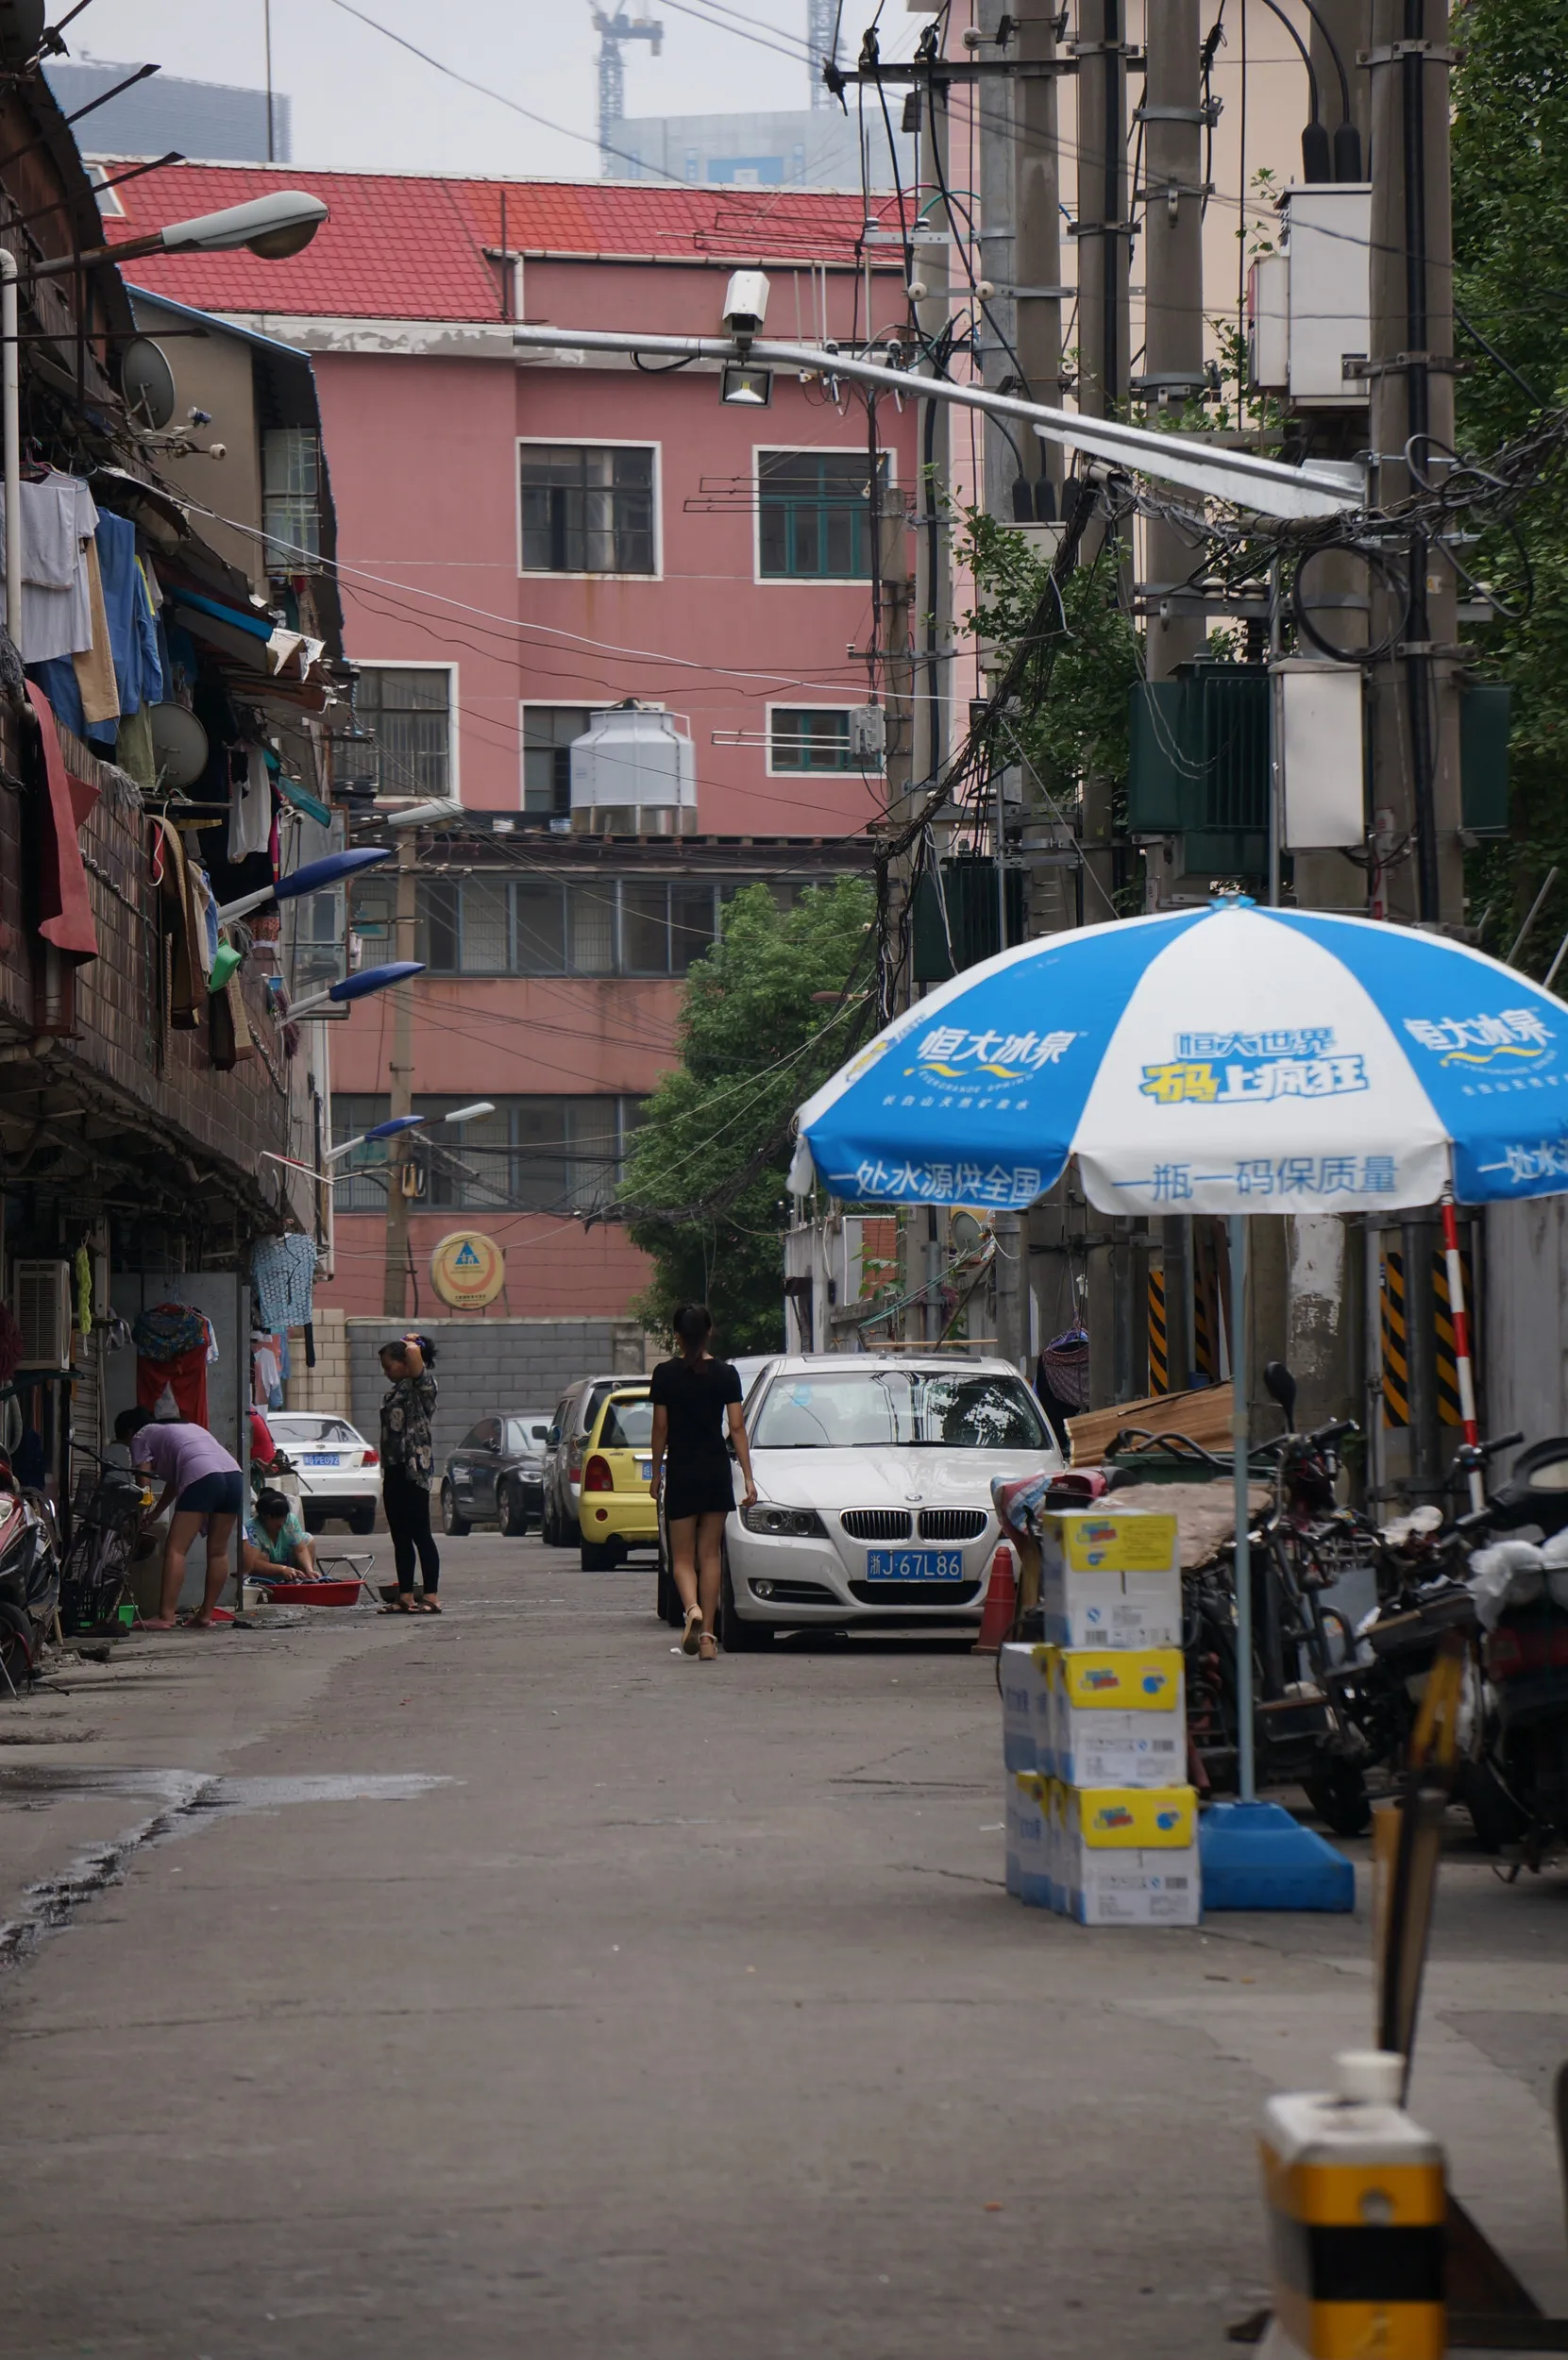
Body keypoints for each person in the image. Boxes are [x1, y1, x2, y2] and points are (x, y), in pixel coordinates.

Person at [649, 1303, 757, 1660]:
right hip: (714, 1471)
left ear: (677, 1337)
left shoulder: (664, 1375)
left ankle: (691, 1608)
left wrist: (657, 1473)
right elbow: (737, 1428)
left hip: (682, 1470)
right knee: (710, 1555)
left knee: (682, 1558)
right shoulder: (726, 1375)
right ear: (710, 1331)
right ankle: (709, 1638)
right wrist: (749, 1477)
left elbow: (661, 1428)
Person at [114, 1407, 244, 1629]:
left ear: (128, 1431)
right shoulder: (186, 1429)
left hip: (203, 1477)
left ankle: (165, 1616)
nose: (130, 1449)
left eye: (126, 1445)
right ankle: (205, 1615)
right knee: (218, 1551)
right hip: (234, 1477)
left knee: (176, 1549)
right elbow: (175, 1483)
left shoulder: (141, 1435)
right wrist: (154, 1514)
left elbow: (143, 1485)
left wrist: (136, 1515)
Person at [379, 1332, 441, 1613]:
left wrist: (411, 1342)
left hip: (415, 1469)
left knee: (420, 1534)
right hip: (393, 1468)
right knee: (400, 1536)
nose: (385, 1372)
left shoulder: (422, 1385)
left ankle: (431, 1596)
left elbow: (416, 1356)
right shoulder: (397, 1389)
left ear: (405, 1362)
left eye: (389, 1365)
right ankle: (405, 1596)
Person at [241, 1489, 319, 1584]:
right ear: (264, 1516)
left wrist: (309, 1569)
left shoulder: (290, 1521)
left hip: (287, 1563)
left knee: (308, 1539)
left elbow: (300, 1549)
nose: (281, 1522)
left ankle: (301, 1579)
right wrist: (282, 1569)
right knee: (262, 1556)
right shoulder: (252, 1528)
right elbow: (252, 1563)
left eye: (284, 1517)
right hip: (267, 1572)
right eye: (276, 1518)